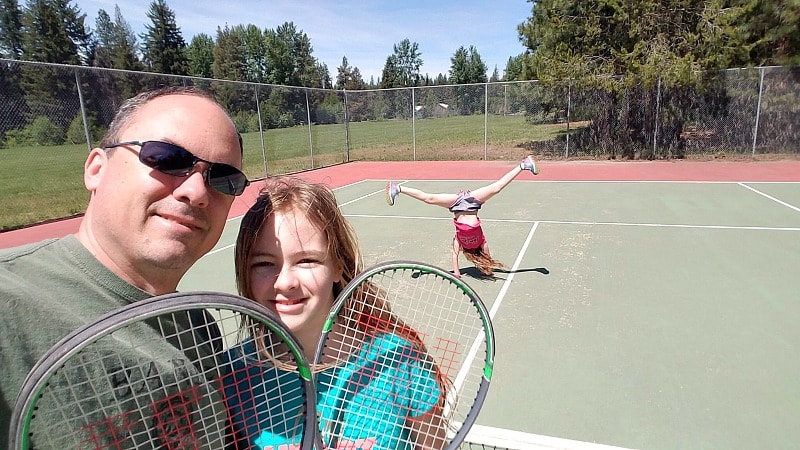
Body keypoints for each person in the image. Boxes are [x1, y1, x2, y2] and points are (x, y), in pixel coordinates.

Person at [0, 86, 248, 447]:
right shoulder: (7, 305)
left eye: (223, 177)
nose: (196, 191)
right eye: (166, 157)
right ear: (96, 169)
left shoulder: (198, 324)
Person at [223, 176, 449, 450]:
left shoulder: (398, 360)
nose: (285, 282)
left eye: (306, 260)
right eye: (263, 263)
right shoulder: (229, 374)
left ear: (338, 266)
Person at [386, 156, 539, 278]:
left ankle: (398, 188)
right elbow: (488, 264)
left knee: (429, 199)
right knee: (497, 187)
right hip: (472, 202)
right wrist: (487, 268)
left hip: (457, 205)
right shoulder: (481, 243)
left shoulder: (459, 242)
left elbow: (454, 255)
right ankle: (524, 165)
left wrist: (457, 273)